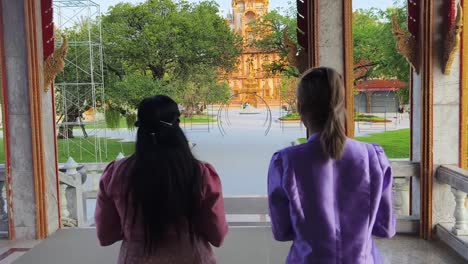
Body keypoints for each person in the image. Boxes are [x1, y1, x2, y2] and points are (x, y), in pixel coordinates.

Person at [268, 67, 395, 264]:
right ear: (341, 104)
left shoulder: (286, 162)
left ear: (300, 108)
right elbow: (385, 228)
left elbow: (282, 231)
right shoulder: (373, 158)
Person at [95, 95, 228, 263]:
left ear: (140, 127)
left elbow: (106, 235)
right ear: (177, 125)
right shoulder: (200, 174)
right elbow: (217, 235)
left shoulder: (116, 174)